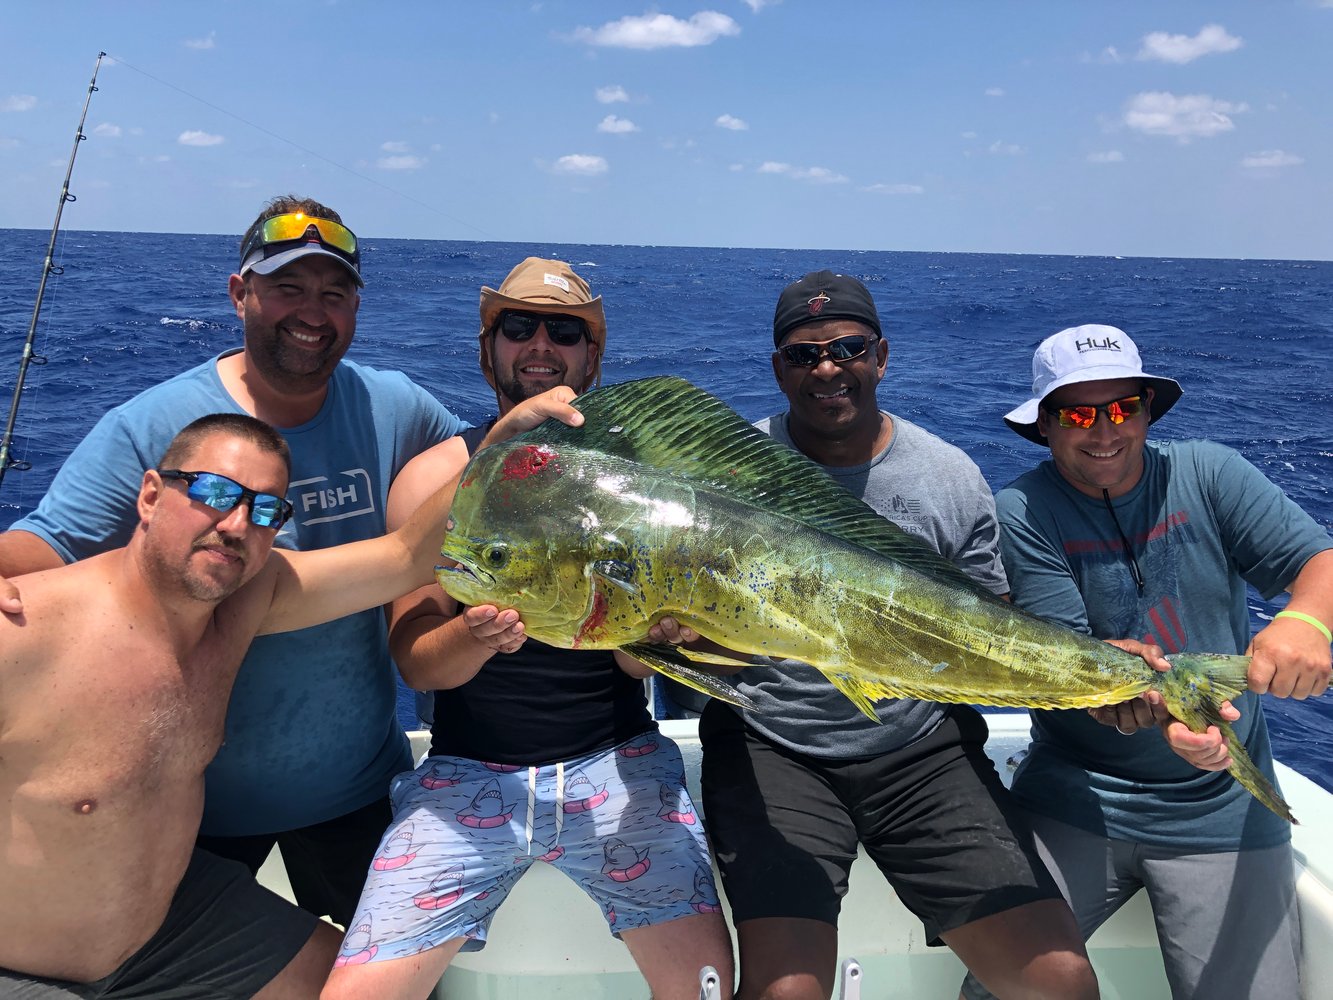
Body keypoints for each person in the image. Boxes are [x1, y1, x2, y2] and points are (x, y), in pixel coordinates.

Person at [0, 403, 578, 997]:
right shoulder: (23, 630)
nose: (235, 524)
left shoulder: (247, 598)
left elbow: (406, 557)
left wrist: (497, 449)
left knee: (382, 987)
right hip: (30, 969)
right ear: (150, 495)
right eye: (214, 492)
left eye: (266, 510)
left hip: (173, 930)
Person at [0, 195, 467, 926]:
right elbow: (35, 554)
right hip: (191, 809)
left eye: (333, 294)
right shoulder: (150, 425)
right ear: (239, 291)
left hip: (359, 793)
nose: (312, 311)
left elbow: (490, 475)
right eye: (287, 287)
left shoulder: (397, 408)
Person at [659, 271, 1097, 1000]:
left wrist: (1103, 676)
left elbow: (988, 625)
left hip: (919, 751)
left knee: (1061, 982)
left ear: (880, 357)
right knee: (784, 992)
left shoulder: (948, 477)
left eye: (846, 348)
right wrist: (683, 642)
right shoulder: (720, 476)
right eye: (803, 356)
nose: (826, 368)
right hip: (772, 744)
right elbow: (693, 650)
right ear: (778, 369)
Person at [322, 258, 734, 1000]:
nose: (539, 343)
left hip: (617, 762)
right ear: (487, 349)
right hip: (465, 776)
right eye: (517, 326)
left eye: (564, 330)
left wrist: (672, 636)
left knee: (706, 987)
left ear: (591, 355)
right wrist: (473, 638)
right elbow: (416, 662)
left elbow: (638, 666)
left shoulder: (642, 482)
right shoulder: (432, 478)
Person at [962, 324, 1333, 1000]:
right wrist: (1165, 716)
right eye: (1077, 413)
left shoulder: (1210, 471)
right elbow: (1073, 668)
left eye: (1121, 408)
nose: (1103, 430)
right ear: (1043, 425)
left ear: (1145, 411)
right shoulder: (1021, 510)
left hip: (1221, 808)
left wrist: (1305, 621)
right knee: (998, 989)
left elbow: (1320, 562)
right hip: (1074, 797)